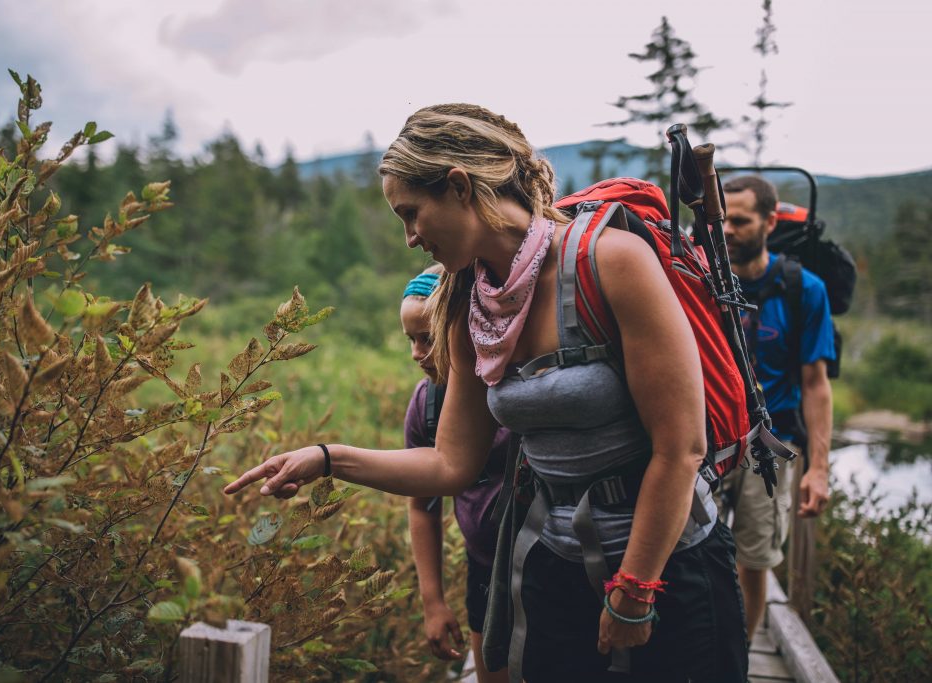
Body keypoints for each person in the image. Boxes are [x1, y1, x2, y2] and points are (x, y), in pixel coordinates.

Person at [225, 104, 747, 682]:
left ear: (458, 186)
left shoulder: (610, 263)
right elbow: (452, 464)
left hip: (672, 563)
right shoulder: (468, 304)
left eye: (411, 214)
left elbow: (681, 448)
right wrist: (328, 460)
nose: (408, 238)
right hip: (556, 563)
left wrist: (635, 591)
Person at [721, 175, 834, 643]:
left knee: (755, 559)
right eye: (721, 218)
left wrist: (819, 468)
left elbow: (816, 383)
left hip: (770, 443)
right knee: (680, 549)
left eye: (740, 221)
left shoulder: (802, 289)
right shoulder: (703, 282)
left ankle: (741, 658)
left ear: (769, 222)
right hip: (707, 440)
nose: (727, 229)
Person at [400, 265, 511, 683]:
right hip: (482, 568)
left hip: (545, 566)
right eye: (410, 340)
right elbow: (423, 506)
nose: (415, 352)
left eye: (426, 338)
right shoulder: (426, 406)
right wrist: (433, 601)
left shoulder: (510, 395)